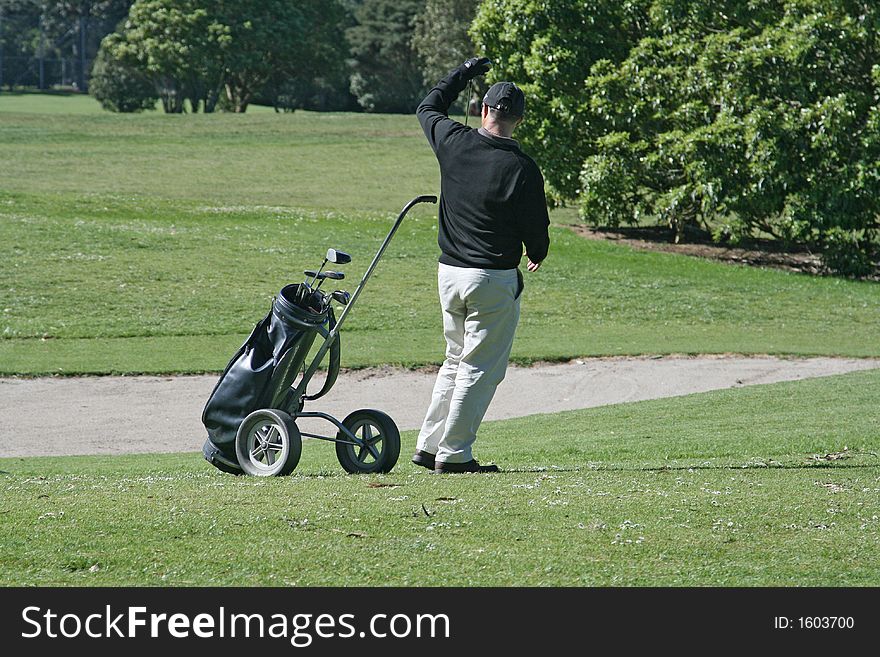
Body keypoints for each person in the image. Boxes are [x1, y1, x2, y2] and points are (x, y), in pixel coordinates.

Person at [412, 57, 550, 474]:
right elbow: (537, 230)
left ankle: (428, 445)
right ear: (519, 120)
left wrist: (462, 73)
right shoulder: (523, 168)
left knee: (455, 360)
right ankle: (453, 456)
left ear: (483, 110)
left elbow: (427, 106)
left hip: (449, 274)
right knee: (479, 368)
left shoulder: (453, 141)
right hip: (492, 277)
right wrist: (536, 253)